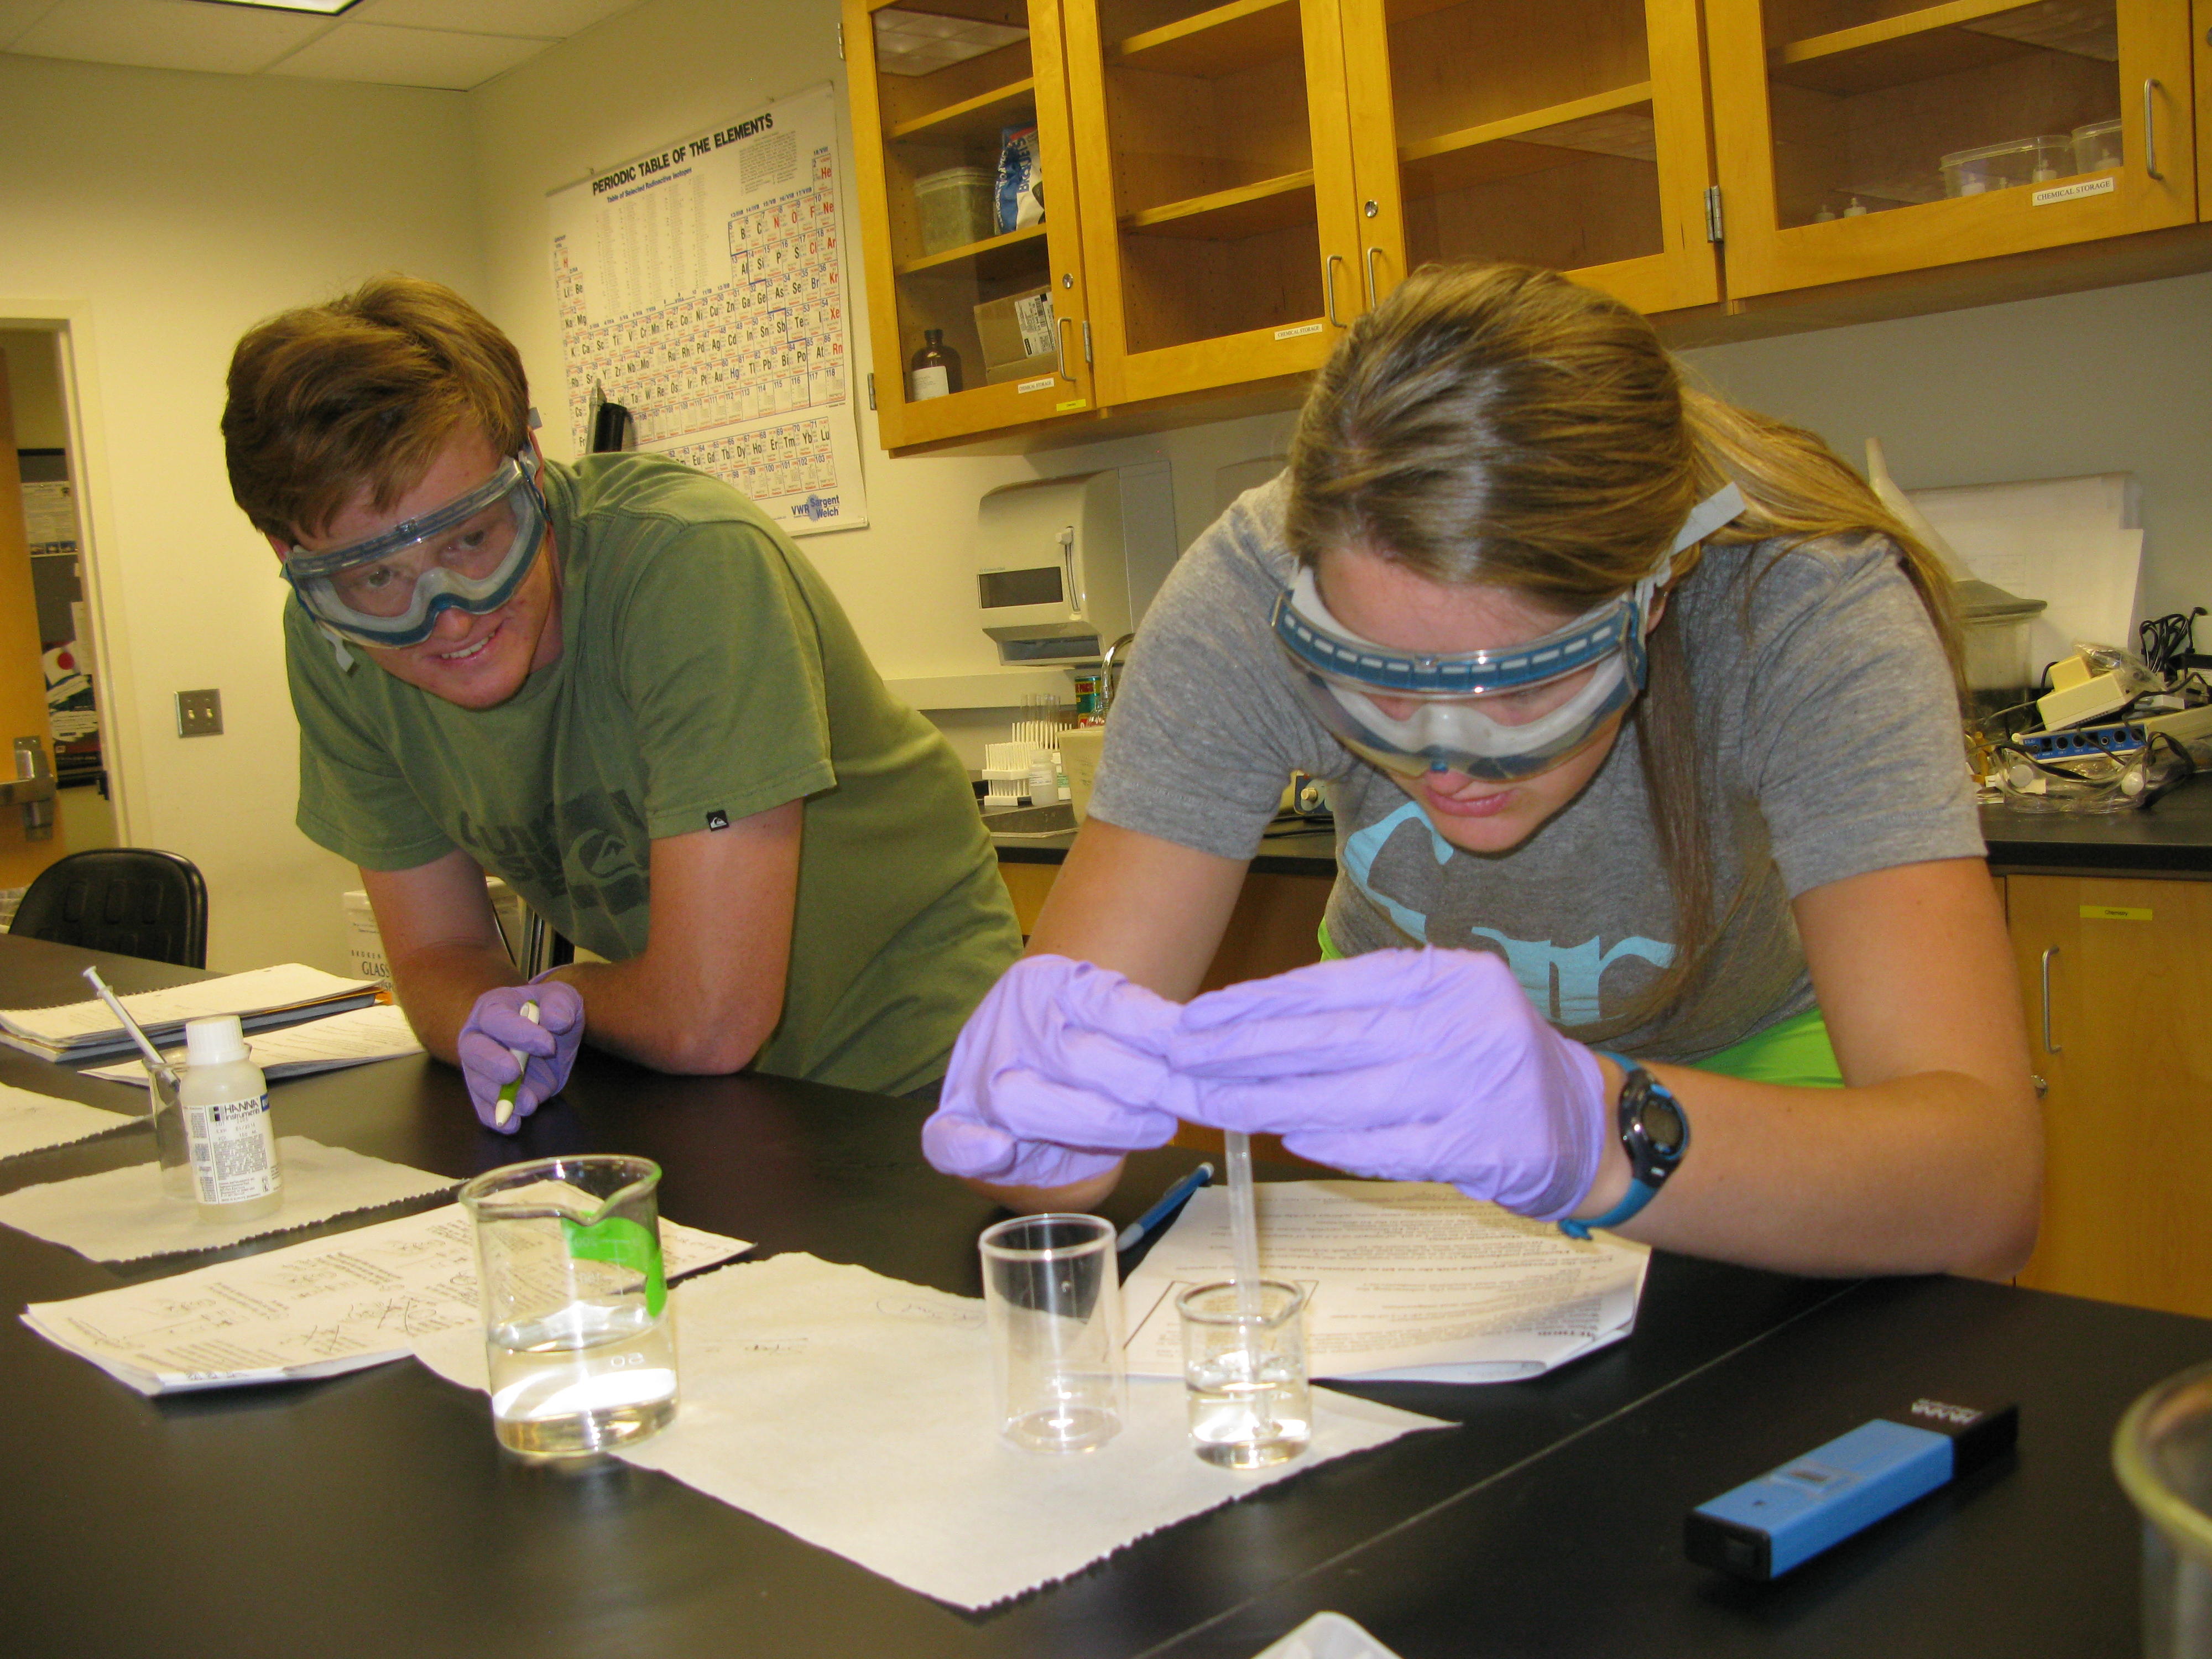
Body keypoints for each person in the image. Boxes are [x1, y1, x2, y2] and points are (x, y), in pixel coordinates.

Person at [922, 263, 2041, 1280]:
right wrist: (1041, 1134)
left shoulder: (1802, 607)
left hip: (1759, 1089)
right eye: (1382, 689)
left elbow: (1980, 1190)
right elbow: (1054, 1147)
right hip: (1405, 1091)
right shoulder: (1240, 595)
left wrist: (1594, 1129)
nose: (1448, 760)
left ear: (1651, 594)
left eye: (1522, 692)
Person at [225, 274, 1020, 1129]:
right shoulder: (334, 648)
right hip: (707, 1096)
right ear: (291, 556)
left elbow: (709, 1016)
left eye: (474, 538)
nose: (449, 612)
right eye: (376, 577)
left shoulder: (688, 566)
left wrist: (554, 992)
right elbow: (436, 955)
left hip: (931, 1082)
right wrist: (484, 1020)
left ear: (527, 468)